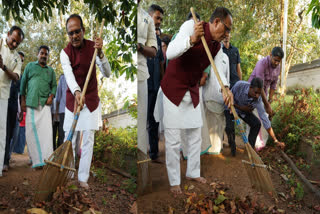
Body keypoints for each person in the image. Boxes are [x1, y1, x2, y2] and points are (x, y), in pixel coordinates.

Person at [160, 7, 233, 195]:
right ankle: (174, 181)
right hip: (173, 89)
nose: (227, 34)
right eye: (226, 28)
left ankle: (192, 172)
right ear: (216, 22)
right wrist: (191, 40)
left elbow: (217, 71)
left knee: (195, 134)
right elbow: (170, 53)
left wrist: (225, 88)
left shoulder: (217, 46)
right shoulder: (190, 26)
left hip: (192, 89)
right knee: (174, 139)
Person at [60, 14, 111, 189]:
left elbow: (107, 73)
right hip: (72, 100)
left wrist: (101, 53)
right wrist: (76, 92)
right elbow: (68, 75)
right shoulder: (64, 53)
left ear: (83, 30)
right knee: (70, 137)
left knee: (88, 137)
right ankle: (68, 174)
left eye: (77, 31)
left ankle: (82, 178)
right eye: (70, 33)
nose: (74, 36)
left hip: (90, 100)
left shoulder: (93, 47)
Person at [224, 77, 285, 156]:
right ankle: (232, 146)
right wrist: (239, 107)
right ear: (250, 87)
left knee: (256, 124)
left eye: (259, 93)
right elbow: (228, 99)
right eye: (256, 92)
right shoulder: (239, 85)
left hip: (243, 112)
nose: (257, 96)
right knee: (229, 128)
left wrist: (275, 140)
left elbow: (264, 119)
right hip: (230, 108)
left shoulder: (258, 100)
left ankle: (250, 149)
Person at [20, 45, 57, 169]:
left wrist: (51, 96)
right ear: (38, 54)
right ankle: (36, 160)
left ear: (47, 56)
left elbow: (54, 86)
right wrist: (22, 101)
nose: (44, 56)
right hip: (31, 103)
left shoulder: (50, 71)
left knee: (46, 133)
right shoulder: (30, 67)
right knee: (30, 132)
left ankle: (46, 160)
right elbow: (23, 84)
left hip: (45, 105)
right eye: (42, 53)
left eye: (46, 54)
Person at [247, 47, 284, 150]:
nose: (276, 63)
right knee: (254, 117)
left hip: (264, 94)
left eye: (279, 61)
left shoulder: (278, 67)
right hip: (254, 92)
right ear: (270, 55)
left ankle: (261, 145)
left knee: (264, 118)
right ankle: (250, 145)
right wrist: (266, 104)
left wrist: (269, 100)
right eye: (275, 60)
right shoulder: (261, 64)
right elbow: (260, 86)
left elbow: (273, 84)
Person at [0, 26, 24, 176]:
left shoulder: (17, 58)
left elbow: (15, 77)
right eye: (13, 40)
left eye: (17, 43)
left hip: (3, 96)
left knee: (2, 132)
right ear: (8, 35)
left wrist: (3, 67)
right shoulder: (0, 42)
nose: (14, 44)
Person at [137, 1, 157, 163]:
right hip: (128, 74)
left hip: (143, 76)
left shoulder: (147, 18)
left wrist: (140, 48)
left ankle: (144, 166)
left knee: (144, 123)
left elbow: (154, 51)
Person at [202, 48, 230, 154]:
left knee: (218, 126)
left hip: (220, 96)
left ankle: (217, 148)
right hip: (207, 95)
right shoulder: (206, 54)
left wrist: (226, 91)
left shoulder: (225, 58)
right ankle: (206, 148)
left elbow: (226, 77)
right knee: (207, 125)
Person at [147, 4, 165, 163]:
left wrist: (163, 81)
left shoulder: (158, 40)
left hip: (156, 86)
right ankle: (143, 153)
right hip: (144, 85)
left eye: (160, 19)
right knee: (144, 119)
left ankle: (154, 154)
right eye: (157, 17)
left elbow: (160, 62)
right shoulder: (141, 37)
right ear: (149, 16)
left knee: (154, 120)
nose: (159, 21)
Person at [3, 51, 24, 172]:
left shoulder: (19, 78)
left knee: (9, 135)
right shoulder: (4, 71)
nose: (19, 62)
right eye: (18, 59)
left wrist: (20, 111)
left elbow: (20, 96)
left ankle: (5, 160)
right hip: (3, 103)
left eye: (21, 60)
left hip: (13, 109)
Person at [55, 74, 67, 149]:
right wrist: (56, 112)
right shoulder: (62, 78)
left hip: (74, 110)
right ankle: (59, 154)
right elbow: (58, 96)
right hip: (63, 111)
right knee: (61, 133)